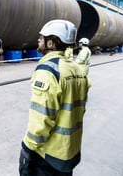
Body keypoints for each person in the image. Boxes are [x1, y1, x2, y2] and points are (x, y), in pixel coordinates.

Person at [19, 19, 91, 176]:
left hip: (48, 155)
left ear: (50, 43)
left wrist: (27, 148)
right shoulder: (78, 70)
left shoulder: (48, 71)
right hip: (69, 152)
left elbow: (41, 119)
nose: (38, 40)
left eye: (41, 37)